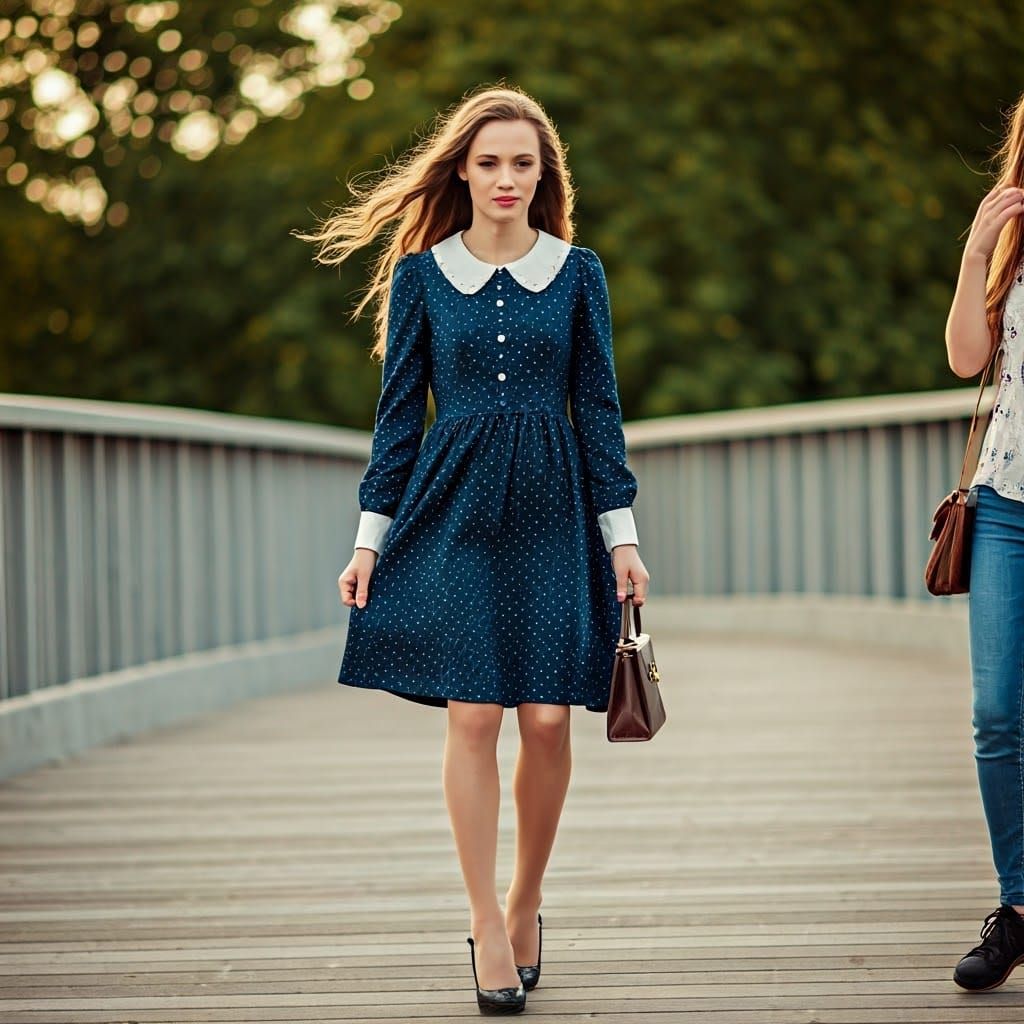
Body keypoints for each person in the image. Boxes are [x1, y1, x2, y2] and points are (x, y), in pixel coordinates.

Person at [300, 85, 649, 1014]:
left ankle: (526, 900)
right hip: (449, 512)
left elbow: (600, 411)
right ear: (462, 167)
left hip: (554, 512)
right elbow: (395, 421)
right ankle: (483, 924)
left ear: (545, 176)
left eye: (522, 163)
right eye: (488, 161)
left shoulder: (580, 274)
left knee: (545, 720)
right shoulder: (421, 276)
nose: (505, 178)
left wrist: (623, 536)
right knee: (474, 718)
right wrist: (368, 539)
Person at [944, 90, 1024, 993]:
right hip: (1006, 497)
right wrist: (974, 251)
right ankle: (1019, 905)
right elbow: (966, 358)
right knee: (998, 714)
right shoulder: (1010, 228)